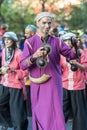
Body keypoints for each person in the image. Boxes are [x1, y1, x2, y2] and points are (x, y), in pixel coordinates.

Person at [20, 12, 76, 130]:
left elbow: (71, 55)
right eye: (44, 23)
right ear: (37, 23)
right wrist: (34, 56)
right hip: (37, 83)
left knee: (56, 112)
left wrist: (76, 47)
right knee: (40, 112)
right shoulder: (29, 43)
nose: (47, 26)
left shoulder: (57, 41)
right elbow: (23, 65)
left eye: (49, 23)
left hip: (54, 83)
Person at [0, 32, 28, 130]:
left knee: (17, 113)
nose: (6, 41)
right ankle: (7, 123)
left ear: (13, 41)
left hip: (16, 86)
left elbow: (25, 71)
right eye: (5, 39)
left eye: (9, 39)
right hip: (4, 84)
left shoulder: (19, 53)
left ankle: (19, 126)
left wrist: (13, 71)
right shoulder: (4, 51)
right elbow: (3, 65)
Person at [60, 32, 87, 130]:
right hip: (65, 86)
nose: (67, 43)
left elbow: (85, 68)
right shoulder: (61, 54)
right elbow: (59, 68)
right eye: (65, 41)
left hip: (78, 86)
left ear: (73, 41)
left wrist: (76, 63)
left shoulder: (80, 52)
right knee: (62, 111)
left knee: (79, 113)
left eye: (69, 40)